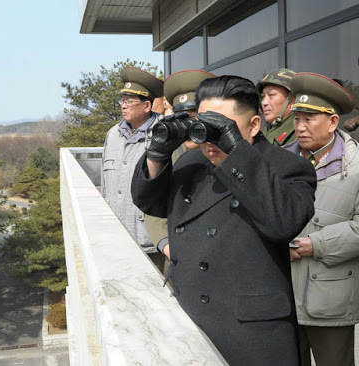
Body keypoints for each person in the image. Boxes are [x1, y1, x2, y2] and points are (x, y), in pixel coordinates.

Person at [131, 75, 317, 364]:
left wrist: (236, 154)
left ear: (254, 125)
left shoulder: (288, 167)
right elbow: (150, 203)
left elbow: (284, 222)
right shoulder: (192, 162)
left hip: (250, 333)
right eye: (206, 125)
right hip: (189, 318)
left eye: (223, 127)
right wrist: (158, 151)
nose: (211, 138)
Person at [285, 72, 358, 366]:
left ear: (332, 122)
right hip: (283, 296)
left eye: (309, 119)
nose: (300, 127)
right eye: (297, 119)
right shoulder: (279, 160)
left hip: (330, 298)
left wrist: (314, 245)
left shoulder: (355, 166)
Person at [144, 69, 216, 272]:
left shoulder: (223, 153)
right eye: (182, 117)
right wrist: (166, 245)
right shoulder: (171, 153)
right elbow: (153, 204)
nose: (189, 125)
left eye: (196, 116)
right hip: (178, 264)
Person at [101, 67, 163, 256]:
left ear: (146, 106)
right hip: (114, 240)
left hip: (149, 242)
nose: (123, 105)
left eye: (129, 101)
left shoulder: (163, 134)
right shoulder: (113, 135)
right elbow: (105, 187)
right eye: (122, 100)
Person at [257, 68, 296, 145]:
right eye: (262, 97)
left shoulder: (300, 135)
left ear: (291, 99)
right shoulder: (265, 130)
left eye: (271, 95)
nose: (264, 103)